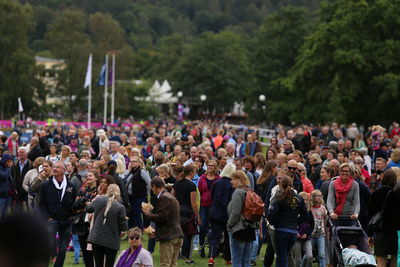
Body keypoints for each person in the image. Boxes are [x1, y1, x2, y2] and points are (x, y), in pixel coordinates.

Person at [39, 161, 77, 267]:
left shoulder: (71, 186)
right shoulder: (46, 185)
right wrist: (47, 217)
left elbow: (74, 203)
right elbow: (42, 204)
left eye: (58, 167)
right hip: (52, 220)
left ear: (64, 170)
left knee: (63, 248)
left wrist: (71, 216)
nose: (55, 169)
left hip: (66, 221)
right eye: (54, 167)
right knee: (48, 244)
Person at [266, 175, 307, 267]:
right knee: (285, 255)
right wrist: (296, 222)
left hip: (281, 231)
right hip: (292, 232)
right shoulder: (299, 199)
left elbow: (272, 216)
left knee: (281, 258)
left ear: (280, 185)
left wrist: (274, 222)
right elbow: (305, 215)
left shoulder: (279, 198)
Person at [142, 177, 183, 267]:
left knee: (165, 264)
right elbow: (167, 218)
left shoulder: (164, 197)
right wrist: (156, 233)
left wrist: (147, 214)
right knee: (172, 264)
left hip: (169, 237)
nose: (151, 190)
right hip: (177, 234)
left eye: (151, 188)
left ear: (154, 186)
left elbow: (161, 217)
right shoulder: (169, 196)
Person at [86, 184, 128, 267]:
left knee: (98, 264)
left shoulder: (99, 200)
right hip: (111, 240)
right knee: (109, 264)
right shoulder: (120, 207)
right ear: (118, 193)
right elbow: (123, 226)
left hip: (97, 238)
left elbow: (88, 209)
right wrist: (122, 231)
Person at [368, 169, 400, 267]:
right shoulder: (397, 195)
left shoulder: (375, 194)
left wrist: (370, 234)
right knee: (394, 259)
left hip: (379, 232)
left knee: (380, 260)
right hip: (394, 232)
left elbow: (370, 214)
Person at [227, 170, 258, 267]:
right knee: (246, 260)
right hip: (250, 228)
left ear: (239, 180)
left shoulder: (238, 192)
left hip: (238, 229)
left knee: (236, 259)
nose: (231, 182)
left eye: (232, 179)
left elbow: (236, 212)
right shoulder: (250, 191)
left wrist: (229, 224)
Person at [208, 163, 236, 266]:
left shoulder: (217, 182)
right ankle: (228, 259)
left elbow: (211, 196)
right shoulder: (232, 185)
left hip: (215, 212)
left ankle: (211, 257)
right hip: (227, 214)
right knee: (228, 237)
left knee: (214, 236)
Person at [173, 165, 201, 264]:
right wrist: (198, 216)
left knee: (178, 235)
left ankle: (177, 254)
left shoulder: (177, 183)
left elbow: (172, 197)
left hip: (178, 211)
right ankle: (187, 257)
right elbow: (193, 202)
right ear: (192, 173)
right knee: (189, 235)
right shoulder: (192, 185)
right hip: (188, 213)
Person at [73, 170, 99, 267]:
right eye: (87, 176)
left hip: (93, 224)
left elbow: (96, 205)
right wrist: (84, 201)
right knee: (84, 250)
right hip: (82, 224)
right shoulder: (83, 190)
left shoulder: (98, 190)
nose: (88, 177)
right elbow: (75, 205)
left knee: (92, 251)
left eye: (90, 176)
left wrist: (84, 203)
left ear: (96, 178)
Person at [197, 159, 220, 257]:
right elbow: (199, 191)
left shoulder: (218, 179)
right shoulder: (202, 178)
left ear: (215, 167)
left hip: (214, 206)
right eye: (209, 165)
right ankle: (201, 247)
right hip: (203, 205)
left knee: (214, 228)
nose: (210, 167)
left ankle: (213, 249)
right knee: (202, 227)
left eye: (212, 165)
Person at [124, 156, 151, 229]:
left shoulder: (142, 171)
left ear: (139, 163)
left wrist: (147, 193)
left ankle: (138, 232)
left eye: (134, 161)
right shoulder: (130, 171)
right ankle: (130, 232)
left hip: (140, 197)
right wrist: (128, 171)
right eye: (130, 161)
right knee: (130, 214)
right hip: (130, 196)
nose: (131, 163)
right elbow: (125, 180)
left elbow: (149, 183)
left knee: (137, 215)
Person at [293, 192, 314, 267]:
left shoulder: (309, 211)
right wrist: (295, 233)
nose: (305, 201)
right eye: (303, 199)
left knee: (310, 256)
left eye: (306, 200)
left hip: (306, 237)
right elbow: (291, 223)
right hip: (296, 237)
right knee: (298, 259)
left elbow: (312, 224)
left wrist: (307, 233)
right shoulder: (294, 210)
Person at [310, 190, 328, 267]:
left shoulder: (323, 208)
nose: (319, 197)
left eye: (320, 196)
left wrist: (327, 232)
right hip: (311, 234)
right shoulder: (310, 208)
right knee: (309, 255)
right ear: (313, 197)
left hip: (321, 234)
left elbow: (325, 220)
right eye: (317, 196)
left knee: (322, 254)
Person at [11, 146, 31, 212]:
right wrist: (14, 188)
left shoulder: (31, 164)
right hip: (17, 190)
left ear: (26, 154)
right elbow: (12, 176)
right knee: (18, 210)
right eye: (19, 152)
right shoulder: (15, 164)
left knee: (29, 209)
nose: (21, 154)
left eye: (22, 152)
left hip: (27, 189)